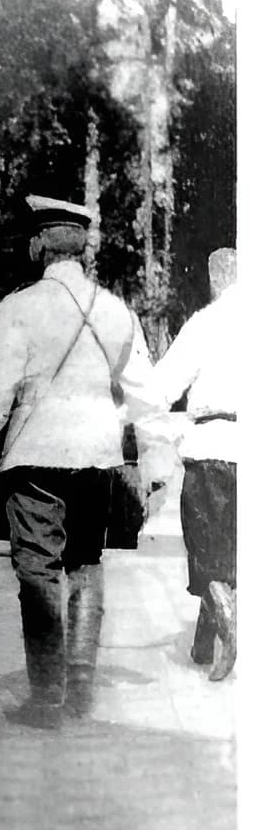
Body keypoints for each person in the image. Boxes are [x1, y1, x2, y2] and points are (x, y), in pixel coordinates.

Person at [0, 195, 175, 727]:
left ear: (39, 244)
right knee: (85, 563)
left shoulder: (19, 307)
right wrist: (156, 464)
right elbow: (147, 398)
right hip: (97, 457)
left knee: (38, 570)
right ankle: (79, 688)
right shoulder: (116, 309)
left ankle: (47, 699)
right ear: (80, 247)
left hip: (35, 459)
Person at [152, 248, 237, 681]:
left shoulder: (204, 323)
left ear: (214, 279)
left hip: (211, 452)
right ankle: (204, 645)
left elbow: (162, 387)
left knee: (206, 553)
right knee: (236, 553)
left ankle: (229, 626)